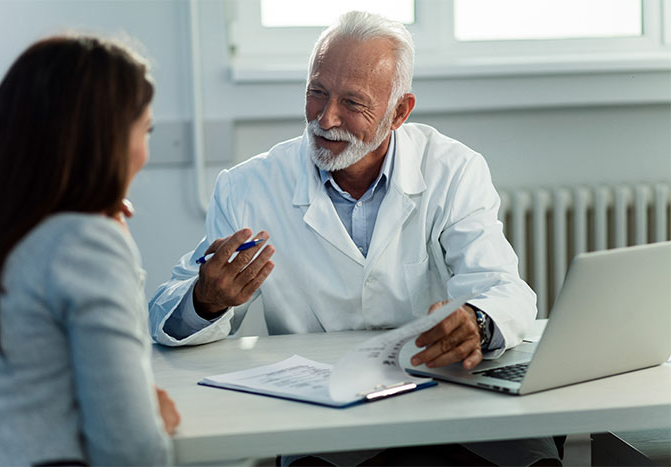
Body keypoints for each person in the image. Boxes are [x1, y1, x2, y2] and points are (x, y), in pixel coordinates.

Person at [149, 11, 562, 466]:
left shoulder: (453, 170)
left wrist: (477, 322)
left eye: (353, 102)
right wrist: (206, 299)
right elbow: (166, 312)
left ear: (399, 111)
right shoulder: (249, 186)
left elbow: (504, 288)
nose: (326, 118)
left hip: (457, 405)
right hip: (330, 426)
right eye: (316, 93)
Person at [0, 36, 179, 465]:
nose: (144, 151)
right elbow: (132, 452)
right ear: (103, 140)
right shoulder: (81, 244)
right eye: (146, 130)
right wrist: (151, 418)